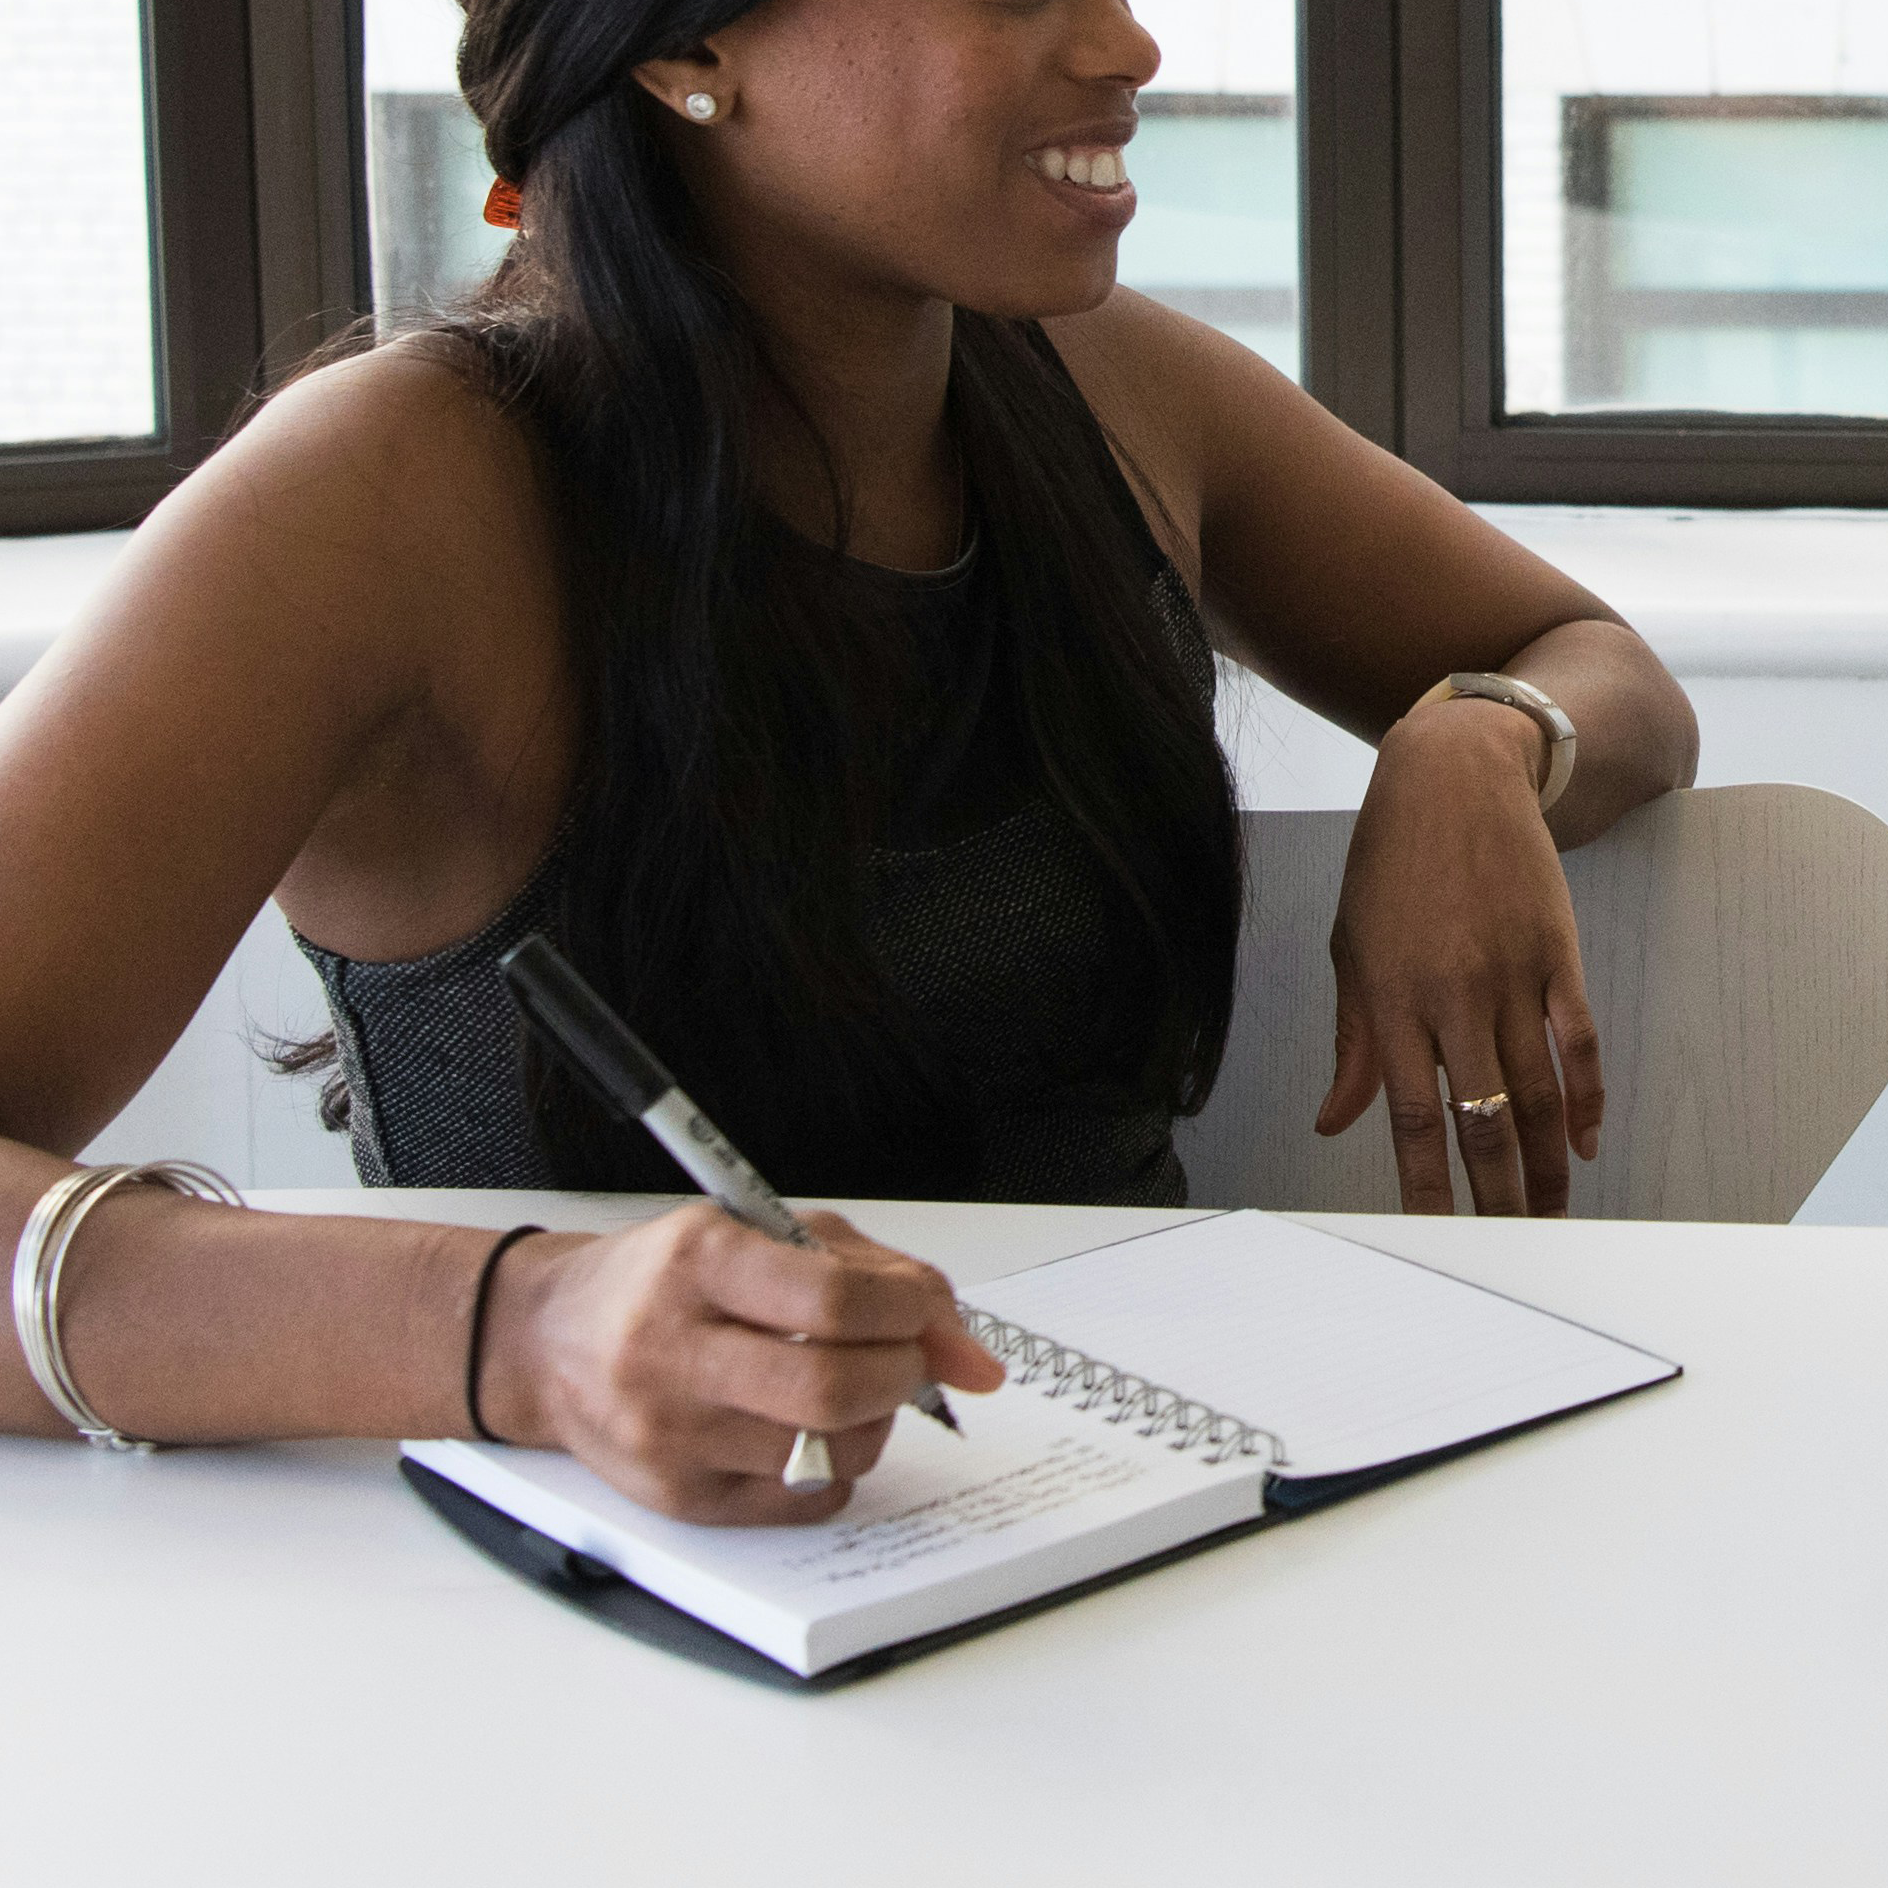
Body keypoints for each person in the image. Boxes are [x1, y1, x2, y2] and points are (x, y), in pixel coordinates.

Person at [0, 0, 1697, 1522]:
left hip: (1124, 1531)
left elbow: (1597, 664)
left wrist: (1475, 746)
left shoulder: (1107, 389)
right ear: (684, 51)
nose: (1130, 44)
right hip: (589, 1616)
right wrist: (527, 1327)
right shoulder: (384, 495)